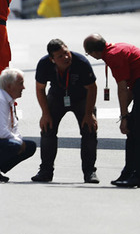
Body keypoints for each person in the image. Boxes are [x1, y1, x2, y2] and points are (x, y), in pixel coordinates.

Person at [83, 34, 140, 188]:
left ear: (93, 52)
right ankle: (128, 172)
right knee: (133, 130)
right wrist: (126, 115)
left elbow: (122, 88)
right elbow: (133, 84)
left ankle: (139, 176)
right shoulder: (115, 48)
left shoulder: (113, 56)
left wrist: (124, 116)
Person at [32, 39, 99, 184]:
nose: (66, 58)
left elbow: (92, 88)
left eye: (66, 53)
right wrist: (45, 113)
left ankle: (89, 171)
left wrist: (89, 114)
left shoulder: (81, 62)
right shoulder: (44, 64)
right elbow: (40, 89)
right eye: (60, 56)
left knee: (89, 130)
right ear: (52, 59)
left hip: (81, 98)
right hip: (57, 97)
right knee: (47, 128)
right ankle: (45, 171)